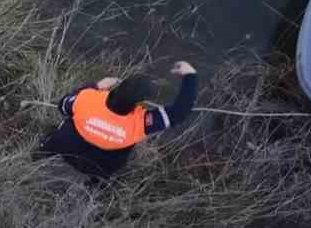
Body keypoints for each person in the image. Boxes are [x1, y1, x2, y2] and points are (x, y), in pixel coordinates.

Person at [36, 61, 198, 178]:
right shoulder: (141, 122)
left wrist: (96, 86)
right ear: (139, 104)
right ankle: (96, 185)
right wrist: (191, 76)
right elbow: (180, 112)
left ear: (117, 88)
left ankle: (40, 154)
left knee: (57, 134)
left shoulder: (87, 98)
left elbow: (63, 106)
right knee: (108, 168)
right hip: (98, 169)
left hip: (64, 149)